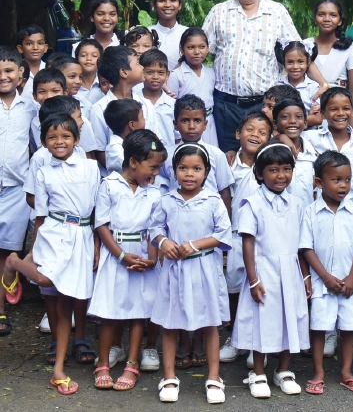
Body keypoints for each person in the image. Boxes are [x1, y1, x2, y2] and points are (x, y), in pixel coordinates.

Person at [2, 113, 100, 395]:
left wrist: (96, 242)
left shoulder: (91, 167)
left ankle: (58, 369)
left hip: (82, 235)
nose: (59, 142)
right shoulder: (44, 172)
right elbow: (41, 215)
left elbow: (97, 209)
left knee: (65, 304)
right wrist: (31, 252)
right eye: (52, 137)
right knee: (46, 280)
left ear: (77, 139)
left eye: (65, 136)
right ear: (44, 143)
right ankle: (14, 262)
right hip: (54, 232)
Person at [202, 0, 327, 152]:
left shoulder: (277, 12)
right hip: (226, 105)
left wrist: (323, 84)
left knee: (266, 156)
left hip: (265, 105)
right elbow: (198, 51)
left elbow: (299, 54)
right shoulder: (218, 12)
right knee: (229, 156)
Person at [150, 143, 232, 404]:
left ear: (206, 172)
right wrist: (164, 242)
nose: (189, 174)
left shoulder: (213, 201)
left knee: (210, 323)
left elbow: (223, 233)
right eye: (183, 168)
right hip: (175, 270)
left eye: (196, 169)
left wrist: (195, 245)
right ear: (174, 170)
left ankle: (214, 377)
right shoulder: (166, 200)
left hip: (204, 268)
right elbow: (155, 228)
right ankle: (169, 377)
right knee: (170, 323)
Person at [232, 142, 310, 398]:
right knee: (262, 321)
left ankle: (283, 370)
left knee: (289, 318)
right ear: (259, 173)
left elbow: (301, 245)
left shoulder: (297, 204)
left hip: (290, 271)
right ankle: (258, 372)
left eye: (286, 169)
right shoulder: (252, 204)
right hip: (263, 271)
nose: (281, 175)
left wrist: (305, 275)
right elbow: (248, 242)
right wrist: (253, 280)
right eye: (273, 170)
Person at [90, 130, 166, 391]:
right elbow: (102, 225)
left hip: (143, 257)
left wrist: (152, 260)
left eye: (158, 168)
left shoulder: (154, 193)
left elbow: (155, 229)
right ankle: (103, 363)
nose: (155, 173)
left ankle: (132, 364)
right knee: (110, 312)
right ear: (133, 162)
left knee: (138, 312)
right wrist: (121, 256)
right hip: (116, 255)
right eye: (152, 167)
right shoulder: (109, 185)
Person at [300, 151, 353, 395]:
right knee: (320, 327)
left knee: (349, 328)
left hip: (351, 283)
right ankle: (318, 372)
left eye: (348, 180)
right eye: (337, 180)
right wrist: (326, 278)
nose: (343, 185)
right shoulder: (310, 212)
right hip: (323, 283)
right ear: (319, 182)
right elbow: (306, 248)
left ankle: (346, 372)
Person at [219, 112, 273, 364]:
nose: (255, 135)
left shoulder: (270, 165)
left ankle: (258, 343)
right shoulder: (230, 164)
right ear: (238, 133)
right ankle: (236, 339)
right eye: (250, 130)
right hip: (236, 234)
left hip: (263, 238)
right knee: (234, 287)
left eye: (262, 133)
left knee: (260, 287)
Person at [0, 47, 36, 336]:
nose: (3, 77)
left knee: (7, 250)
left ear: (21, 73)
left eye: (9, 71)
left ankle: (2, 304)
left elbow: (38, 144)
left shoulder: (30, 107)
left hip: (15, 189)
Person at [89, 46, 158, 172]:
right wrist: (128, 174)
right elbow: (100, 151)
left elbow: (155, 141)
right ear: (124, 72)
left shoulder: (146, 105)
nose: (142, 67)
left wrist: (152, 159)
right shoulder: (99, 109)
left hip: (147, 175)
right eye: (137, 63)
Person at [304, 0, 353, 129]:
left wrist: (352, 125)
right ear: (315, 19)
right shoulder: (305, 45)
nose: (327, 19)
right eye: (321, 14)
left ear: (340, 21)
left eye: (333, 15)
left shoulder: (350, 47)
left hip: (338, 110)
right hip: (310, 108)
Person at [305, 87, 353, 198]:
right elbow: (287, 134)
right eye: (334, 109)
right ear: (323, 114)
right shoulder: (312, 138)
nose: (341, 113)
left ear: (352, 111)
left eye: (346, 108)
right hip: (323, 203)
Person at [167, 27, 218, 146]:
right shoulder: (177, 75)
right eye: (191, 47)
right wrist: (177, 135)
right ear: (182, 49)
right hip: (187, 126)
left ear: (208, 48)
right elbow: (171, 106)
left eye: (202, 47)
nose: (197, 52)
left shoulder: (211, 72)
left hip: (208, 123)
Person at [272, 99, 317, 207]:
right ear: (275, 123)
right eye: (285, 117)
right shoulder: (271, 150)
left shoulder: (312, 153)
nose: (292, 121)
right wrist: (280, 137)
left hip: (307, 212)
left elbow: (314, 190)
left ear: (305, 123)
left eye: (298, 117)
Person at [275, 40, 323, 128]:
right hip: (284, 133)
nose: (295, 67)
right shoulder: (278, 87)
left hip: (309, 133)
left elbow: (317, 119)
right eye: (290, 62)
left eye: (300, 62)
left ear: (308, 62)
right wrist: (308, 117)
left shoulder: (313, 88)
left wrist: (286, 120)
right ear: (284, 62)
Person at [135, 49, 176, 148]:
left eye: (161, 73)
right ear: (142, 73)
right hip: (142, 153)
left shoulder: (173, 104)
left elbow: (177, 136)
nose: (155, 77)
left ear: (167, 75)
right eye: (150, 72)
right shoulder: (134, 103)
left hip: (168, 153)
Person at [150, 0, 189, 71]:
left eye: (173, 0)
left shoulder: (188, 34)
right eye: (162, 0)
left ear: (180, 5)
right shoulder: (147, 33)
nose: (167, 5)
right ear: (155, 5)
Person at [103, 99, 145, 174]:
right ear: (132, 125)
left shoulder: (136, 140)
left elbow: (154, 147)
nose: (145, 120)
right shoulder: (115, 150)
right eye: (142, 117)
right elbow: (139, 168)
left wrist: (153, 143)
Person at [17, 25, 48, 100]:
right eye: (29, 44)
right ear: (20, 48)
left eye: (40, 43)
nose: (35, 48)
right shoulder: (16, 72)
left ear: (45, 48)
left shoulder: (50, 69)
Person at [75, 38, 104, 105]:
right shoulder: (72, 84)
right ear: (77, 58)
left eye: (94, 56)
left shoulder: (105, 84)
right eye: (83, 55)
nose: (88, 59)